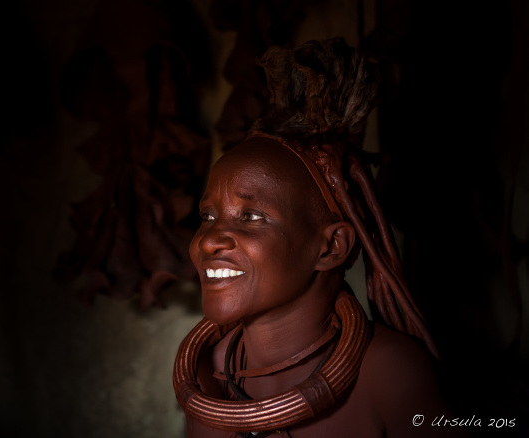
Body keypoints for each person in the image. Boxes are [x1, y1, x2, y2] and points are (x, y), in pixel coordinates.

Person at [173, 38, 464, 438]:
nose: (207, 241)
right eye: (207, 216)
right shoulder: (208, 373)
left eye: (251, 216)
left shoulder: (389, 372)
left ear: (331, 247)